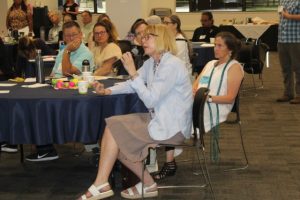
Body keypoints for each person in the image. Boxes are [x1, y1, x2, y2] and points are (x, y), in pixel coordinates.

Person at [78, 24, 193, 200]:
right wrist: (108, 91)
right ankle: (145, 184)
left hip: (172, 127)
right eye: (142, 37)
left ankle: (102, 183)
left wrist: (132, 72)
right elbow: (132, 84)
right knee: (115, 130)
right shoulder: (154, 62)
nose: (142, 41)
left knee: (115, 132)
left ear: (161, 39)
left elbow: (150, 99)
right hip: (160, 119)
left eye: (148, 37)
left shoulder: (171, 65)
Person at [153, 31, 244, 180]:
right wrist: (193, 94)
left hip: (216, 106)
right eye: (215, 45)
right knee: (169, 110)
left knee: (172, 116)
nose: (216, 48)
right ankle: (167, 159)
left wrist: (205, 98)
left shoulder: (234, 68)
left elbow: (229, 98)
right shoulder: (209, 64)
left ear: (230, 49)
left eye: (220, 46)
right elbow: (195, 86)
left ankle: (167, 160)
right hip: (199, 102)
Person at [25, 21, 94, 162]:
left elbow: (67, 72)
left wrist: (67, 51)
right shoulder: (63, 50)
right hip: (56, 87)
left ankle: (46, 149)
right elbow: (54, 73)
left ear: (81, 35)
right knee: (28, 99)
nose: (70, 39)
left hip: (71, 94)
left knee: (40, 105)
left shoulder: (86, 53)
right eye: (67, 36)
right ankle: (19, 142)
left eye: (74, 35)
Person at [276, 0, 300, 104]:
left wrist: (289, 16)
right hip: (282, 39)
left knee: (298, 68)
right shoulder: (283, 0)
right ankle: (288, 93)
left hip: (296, 39)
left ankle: (299, 95)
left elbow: (287, 16)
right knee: (285, 68)